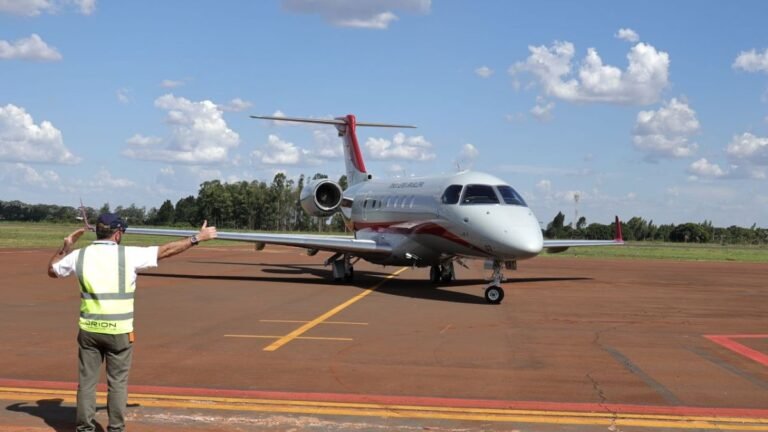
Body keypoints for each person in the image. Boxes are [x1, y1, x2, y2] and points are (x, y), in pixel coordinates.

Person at [47, 213, 217, 432]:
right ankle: (116, 428)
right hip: (119, 332)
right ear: (117, 234)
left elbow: (52, 270)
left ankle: (85, 428)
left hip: (89, 330)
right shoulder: (129, 255)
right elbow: (166, 250)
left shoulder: (79, 256)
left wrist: (67, 246)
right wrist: (196, 238)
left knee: (87, 384)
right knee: (117, 383)